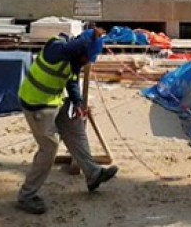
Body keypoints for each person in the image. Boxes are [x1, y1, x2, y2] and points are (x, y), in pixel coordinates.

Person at [16, 27, 119, 215]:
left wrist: (78, 102)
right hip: (36, 103)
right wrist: (91, 39)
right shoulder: (56, 48)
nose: (87, 62)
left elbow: (71, 81)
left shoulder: (74, 59)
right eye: (87, 57)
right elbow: (66, 50)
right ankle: (26, 196)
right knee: (49, 148)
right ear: (81, 50)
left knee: (75, 126)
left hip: (53, 99)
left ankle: (93, 174)